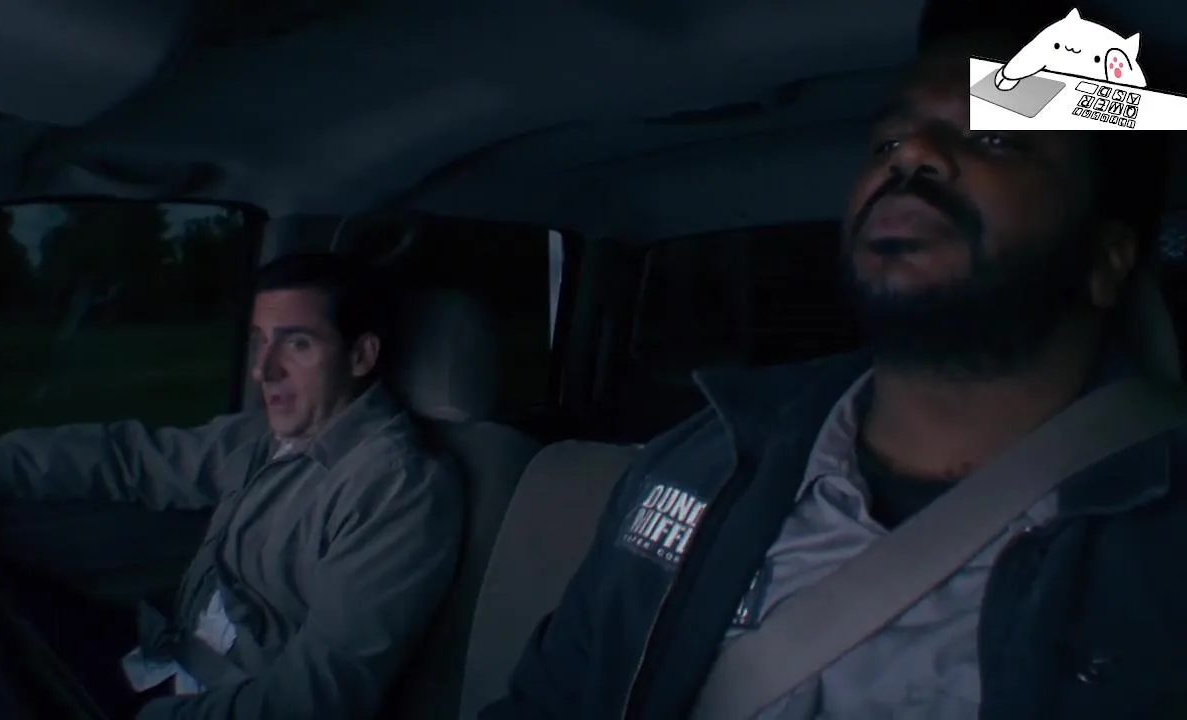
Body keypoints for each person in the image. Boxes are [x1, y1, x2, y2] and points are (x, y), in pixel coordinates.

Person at [482, 3, 1186, 719]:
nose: (913, 154)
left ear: (1106, 259)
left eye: (999, 136)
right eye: (888, 141)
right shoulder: (699, 463)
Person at [0, 252, 464, 719]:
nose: (263, 371)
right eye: (259, 342)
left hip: (209, 703)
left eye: (297, 345)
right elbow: (131, 458)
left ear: (361, 355)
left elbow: (312, 698)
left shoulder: (398, 489)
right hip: (163, 656)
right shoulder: (265, 435)